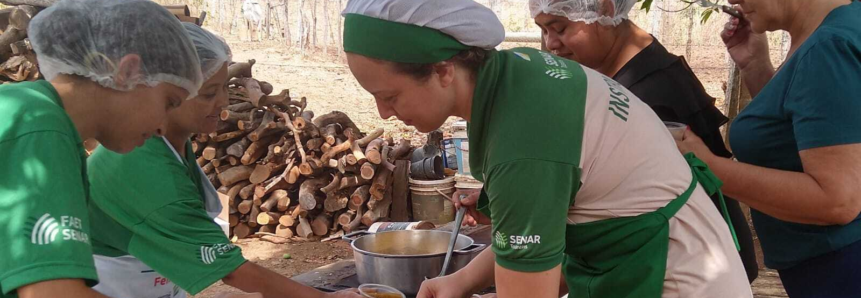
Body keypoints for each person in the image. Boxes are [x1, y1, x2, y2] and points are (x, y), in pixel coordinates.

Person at [340, 0, 752, 297]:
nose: (384, 112)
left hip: (675, 276)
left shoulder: (523, 139)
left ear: (443, 70)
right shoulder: (516, 72)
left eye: (389, 95)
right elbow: (528, 225)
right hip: (652, 250)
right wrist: (462, 281)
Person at [86, 24, 362, 298]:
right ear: (164, 91)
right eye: (209, 93)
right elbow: (230, 270)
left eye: (223, 90)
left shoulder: (170, 145)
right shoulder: (142, 165)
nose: (223, 103)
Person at [529, 0, 759, 282]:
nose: (551, 43)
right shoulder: (630, 65)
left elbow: (621, 212)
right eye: (543, 30)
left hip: (690, 270)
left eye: (560, 28)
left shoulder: (651, 94)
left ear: (604, 9)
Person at [0, 0, 206, 297]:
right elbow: (53, 293)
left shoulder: (31, 114)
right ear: (128, 72)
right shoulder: (39, 125)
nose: (163, 125)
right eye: (169, 102)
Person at [676, 0, 861, 297]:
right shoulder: (834, 28)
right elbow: (801, 135)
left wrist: (708, 167)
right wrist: (756, 66)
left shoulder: (827, 48)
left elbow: (837, 200)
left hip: (839, 269)